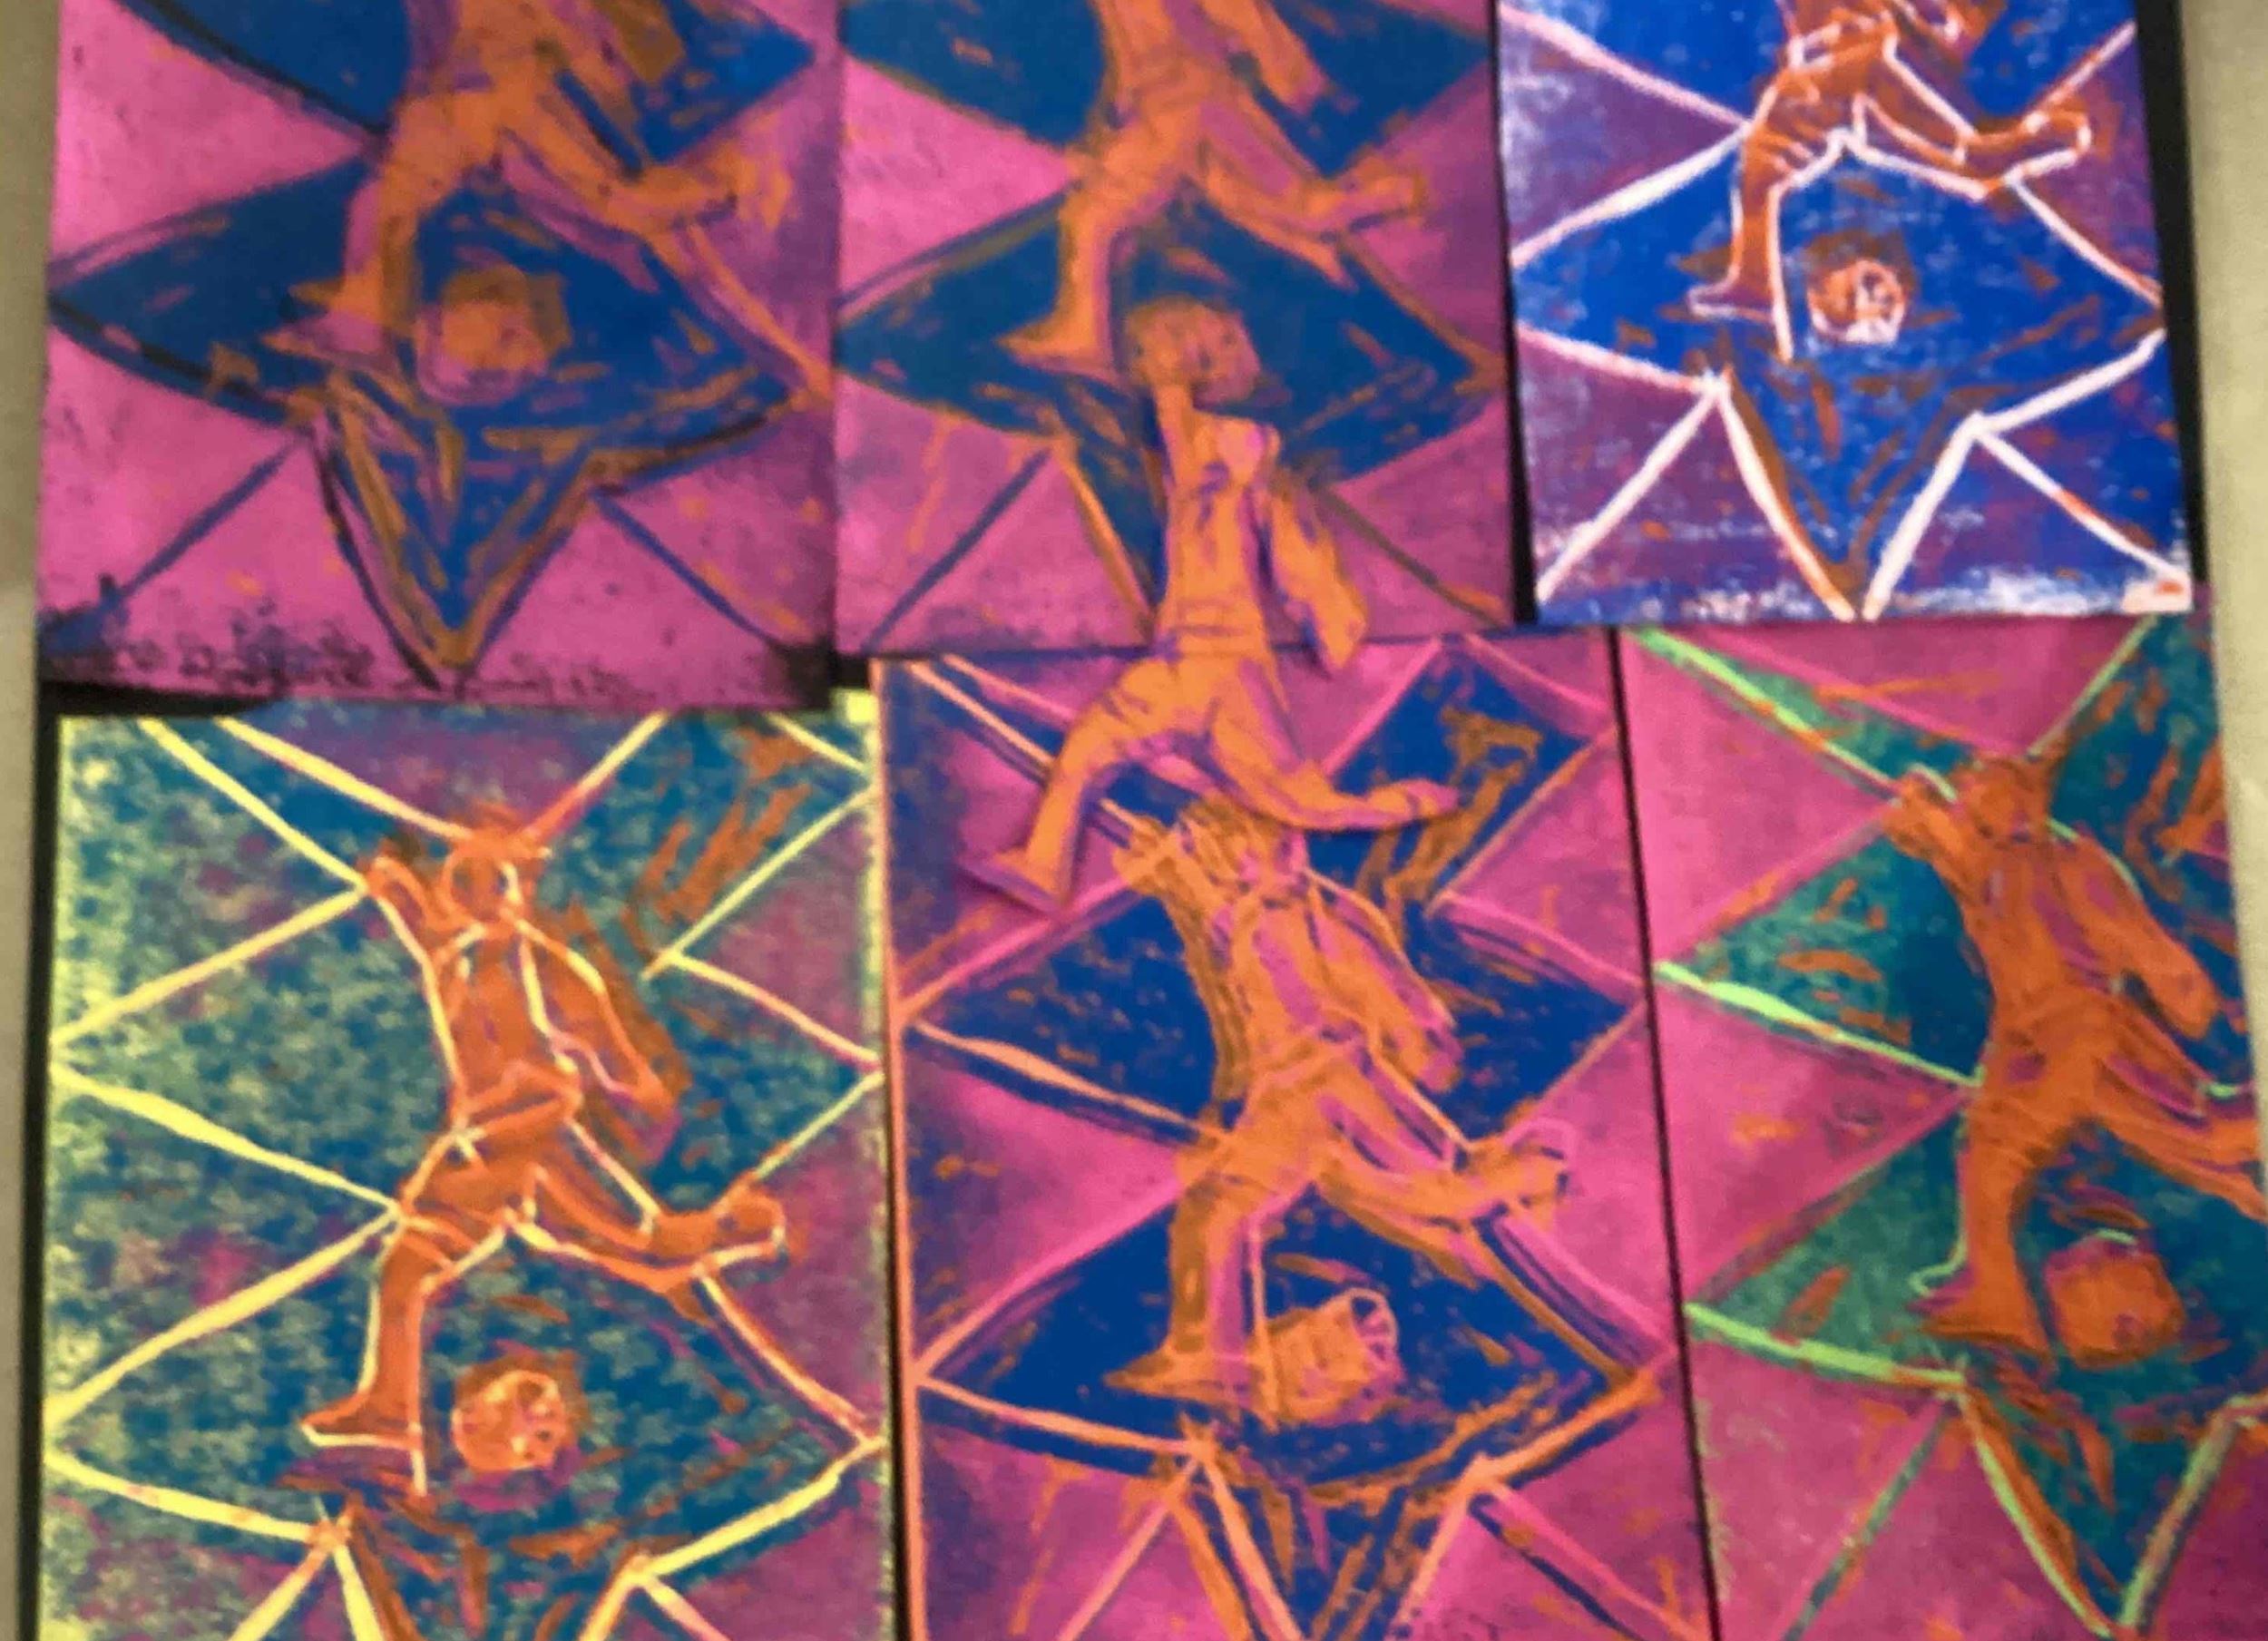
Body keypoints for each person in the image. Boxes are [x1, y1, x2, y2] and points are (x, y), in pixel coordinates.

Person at [302, 825, 785, 1459]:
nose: (479, 897)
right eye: (465, 882)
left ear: (519, 891)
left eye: (494, 883)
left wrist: (641, 1090)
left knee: (642, 1252)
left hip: (537, 1140)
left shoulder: (546, 968)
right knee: (406, 1266)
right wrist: (393, 885)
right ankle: (390, 1409)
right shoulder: (449, 956)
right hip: (476, 1145)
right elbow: (416, 920)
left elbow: (612, 1052)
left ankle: (730, 1229)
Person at [982, 298, 1456, 907]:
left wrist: (1168, 374)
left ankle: (1412, 802)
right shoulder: (1208, 474)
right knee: (1087, 750)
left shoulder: (1232, 449)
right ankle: (1043, 867)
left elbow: (1186, 434)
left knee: (1304, 803)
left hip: (1228, 667)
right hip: (1179, 660)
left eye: (1158, 352)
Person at [1110, 803, 1575, 1422]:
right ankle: (1210, 1358)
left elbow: (1479, 1167)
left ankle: (1212, 1359)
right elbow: (1476, 1155)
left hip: (1355, 1128)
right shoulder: (1484, 1221)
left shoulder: (1494, 1230)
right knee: (1245, 1177)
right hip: (1354, 1125)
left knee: (1246, 1177)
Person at [1882, 756, 2263, 1360]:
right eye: (1972, 786)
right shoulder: (1993, 862)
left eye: (1990, 784)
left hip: (2081, 1035)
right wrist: (1918, 810)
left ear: (2029, 798)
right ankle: (1994, 1297)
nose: (1974, 792)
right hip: (2028, 1037)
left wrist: (2194, 1006)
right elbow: (1938, 836)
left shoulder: (2071, 865)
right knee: (1990, 1153)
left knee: (2197, 1130)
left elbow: (2155, 957)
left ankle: (1997, 1296)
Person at [286, 0, 822, 393]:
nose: (517, 346)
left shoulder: (440, 183)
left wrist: (362, 310)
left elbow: (417, 166)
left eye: (494, 351)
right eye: (512, 357)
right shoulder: (576, 233)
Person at [1004, 0, 1422, 376]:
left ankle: (1087, 341)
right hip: (1176, 101)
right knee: (1271, 204)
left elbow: (1237, 12)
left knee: (1094, 217)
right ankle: (1389, 195)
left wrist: (1292, 76)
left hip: (1181, 100)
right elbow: (1129, 50)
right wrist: (1119, 109)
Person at [1689, 0, 2092, 355]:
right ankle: (1753, 283)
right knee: (1765, 168)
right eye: (1883, 306)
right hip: (1830, 72)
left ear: (1819, 287)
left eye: (1850, 304)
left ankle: (1753, 283)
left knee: (1763, 169)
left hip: (1845, 67)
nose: (1869, 299)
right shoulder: (1897, 220)